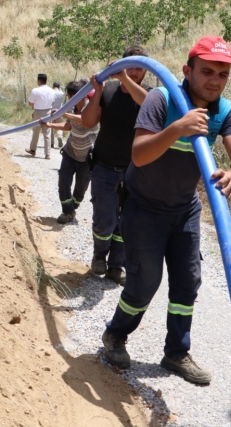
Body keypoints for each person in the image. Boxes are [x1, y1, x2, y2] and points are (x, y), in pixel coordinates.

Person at [101, 37, 231, 385]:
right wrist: (177, 129)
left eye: (222, 74)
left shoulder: (225, 111)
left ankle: (176, 352)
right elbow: (139, 154)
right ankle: (116, 334)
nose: (214, 81)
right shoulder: (161, 98)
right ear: (187, 71)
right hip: (143, 208)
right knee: (144, 282)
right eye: (207, 72)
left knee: (187, 282)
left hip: (184, 210)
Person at [81, 45, 151, 286]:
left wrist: (123, 79)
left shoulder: (151, 95)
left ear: (146, 70)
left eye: (139, 68)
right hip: (104, 166)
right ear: (121, 65)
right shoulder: (108, 90)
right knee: (105, 220)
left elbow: (148, 105)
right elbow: (88, 122)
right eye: (128, 67)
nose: (133, 72)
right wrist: (98, 91)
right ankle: (99, 255)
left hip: (136, 170)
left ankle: (116, 266)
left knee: (127, 222)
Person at [38, 81, 99, 224]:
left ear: (83, 96)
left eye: (73, 97)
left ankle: (72, 208)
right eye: (70, 97)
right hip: (70, 152)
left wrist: (63, 113)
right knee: (63, 183)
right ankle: (67, 211)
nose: (71, 100)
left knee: (80, 189)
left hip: (86, 157)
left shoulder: (91, 107)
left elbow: (85, 121)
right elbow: (68, 126)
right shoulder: (71, 108)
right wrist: (50, 124)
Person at [26, 73, 55, 159]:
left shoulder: (35, 90)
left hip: (38, 112)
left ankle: (33, 149)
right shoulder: (51, 90)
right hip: (48, 112)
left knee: (36, 132)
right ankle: (47, 154)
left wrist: (34, 106)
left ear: (39, 81)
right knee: (47, 133)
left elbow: (30, 102)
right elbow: (53, 102)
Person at [51, 81, 67, 149]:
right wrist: (60, 89)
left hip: (51, 112)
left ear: (53, 86)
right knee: (60, 127)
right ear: (59, 87)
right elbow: (65, 95)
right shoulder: (61, 93)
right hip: (59, 112)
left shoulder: (50, 92)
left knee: (50, 127)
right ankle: (59, 136)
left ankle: (51, 143)